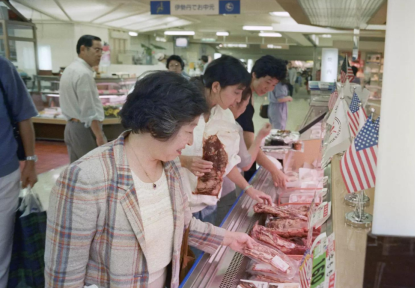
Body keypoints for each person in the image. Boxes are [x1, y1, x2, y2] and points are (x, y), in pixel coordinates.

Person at [45, 71, 254, 288]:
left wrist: (228, 238)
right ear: (157, 125)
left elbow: (180, 224)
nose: (192, 140)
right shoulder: (86, 179)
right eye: (189, 130)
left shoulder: (169, 166)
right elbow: (64, 279)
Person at [179, 56, 272, 227]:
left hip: (208, 206)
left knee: (205, 253)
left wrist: (249, 189)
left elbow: (226, 163)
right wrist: (185, 161)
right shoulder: (180, 110)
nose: (238, 100)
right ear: (216, 86)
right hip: (179, 207)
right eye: (236, 92)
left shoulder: (225, 116)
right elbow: (152, 153)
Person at [0, 56, 38, 288]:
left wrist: (31, 162)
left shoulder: (2, 67)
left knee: (1, 247)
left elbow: (24, 117)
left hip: (3, 175)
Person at [215, 87, 272, 225]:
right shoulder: (233, 127)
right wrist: (259, 137)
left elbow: (226, 163)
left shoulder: (213, 119)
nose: (243, 110)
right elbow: (246, 163)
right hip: (222, 194)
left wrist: (248, 188)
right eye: (245, 106)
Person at [235, 55, 289, 186]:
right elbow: (249, 146)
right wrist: (274, 170)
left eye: (274, 85)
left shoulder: (248, 93)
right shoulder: (243, 98)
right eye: (267, 81)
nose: (269, 88)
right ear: (254, 74)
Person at [59, 35, 107, 163]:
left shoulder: (70, 69)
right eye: (96, 50)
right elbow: (89, 110)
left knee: (77, 170)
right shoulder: (84, 74)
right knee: (93, 170)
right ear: (83, 49)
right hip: (84, 129)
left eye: (101, 51)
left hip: (70, 127)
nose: (100, 54)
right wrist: (99, 136)